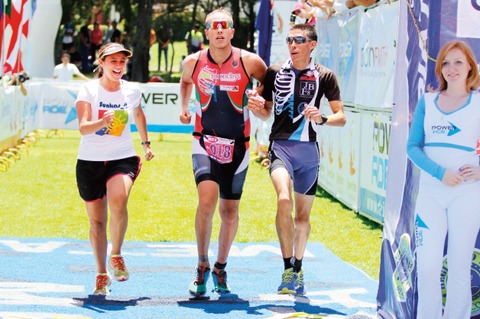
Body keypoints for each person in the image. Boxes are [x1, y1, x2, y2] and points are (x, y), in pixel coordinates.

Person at [247, 23, 346, 296]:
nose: (292, 44)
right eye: (289, 39)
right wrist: (257, 109)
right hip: (280, 148)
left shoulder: (325, 76)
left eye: (299, 40)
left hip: (309, 153)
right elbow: (266, 112)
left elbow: (341, 117)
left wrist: (322, 118)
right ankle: (287, 268)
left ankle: (298, 269)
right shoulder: (275, 71)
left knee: (302, 218)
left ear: (311, 44)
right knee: (283, 199)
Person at [179, 8, 267, 297]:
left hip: (238, 146)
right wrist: (184, 107)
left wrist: (260, 104)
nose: (219, 31)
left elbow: (267, 92)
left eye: (224, 26)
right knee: (207, 200)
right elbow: (185, 82)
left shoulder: (250, 61)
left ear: (232, 31)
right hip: (204, 141)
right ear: (206, 32)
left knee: (229, 211)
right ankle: (202, 264)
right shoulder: (193, 62)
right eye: (212, 26)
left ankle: (220, 267)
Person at [406, 40, 480, 319]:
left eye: (458, 62)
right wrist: (440, 173)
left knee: (460, 267)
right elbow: (412, 147)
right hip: (431, 194)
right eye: (446, 63)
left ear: (470, 66)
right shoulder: (427, 102)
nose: (452, 68)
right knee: (427, 268)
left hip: (468, 195)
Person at [75, 42, 154, 296]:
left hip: (123, 157)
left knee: (119, 198)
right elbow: (83, 127)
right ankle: (101, 274)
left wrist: (146, 144)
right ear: (102, 63)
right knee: (97, 222)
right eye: (113, 61)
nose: (119, 66)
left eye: (122, 62)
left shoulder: (132, 91)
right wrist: (102, 121)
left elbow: (139, 115)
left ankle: (117, 254)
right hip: (90, 162)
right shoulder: (87, 89)